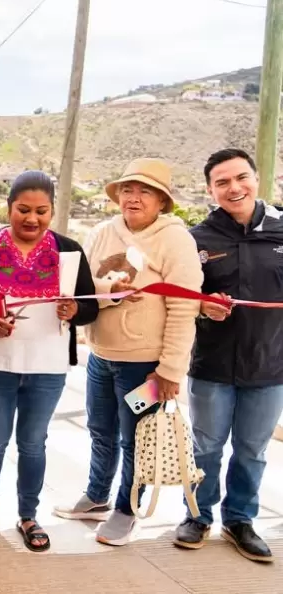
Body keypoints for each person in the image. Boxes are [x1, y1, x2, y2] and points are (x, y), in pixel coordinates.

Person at [52, 158, 203, 546]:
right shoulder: (103, 231)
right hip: (101, 357)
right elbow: (85, 286)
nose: (133, 198)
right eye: (128, 190)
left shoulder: (176, 239)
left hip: (145, 366)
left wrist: (170, 369)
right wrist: (107, 290)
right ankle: (97, 495)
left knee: (136, 438)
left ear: (162, 201)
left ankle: (126, 509)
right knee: (100, 430)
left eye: (145, 191)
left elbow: (185, 307)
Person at [0, 171, 98, 553]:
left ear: (52, 211)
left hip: (47, 367)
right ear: (9, 208)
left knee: (33, 444)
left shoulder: (69, 251)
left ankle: (28, 516)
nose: (32, 219)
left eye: (42, 211)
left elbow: (91, 308)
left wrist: (75, 309)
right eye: (23, 210)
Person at [172, 148, 283, 563]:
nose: (234, 188)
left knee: (253, 449)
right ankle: (197, 517)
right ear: (210, 190)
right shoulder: (196, 238)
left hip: (270, 366)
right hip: (212, 366)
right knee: (206, 448)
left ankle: (240, 520)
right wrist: (202, 304)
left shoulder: (281, 229)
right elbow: (183, 296)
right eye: (222, 182)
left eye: (241, 177)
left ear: (256, 178)